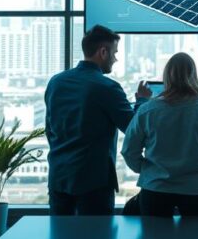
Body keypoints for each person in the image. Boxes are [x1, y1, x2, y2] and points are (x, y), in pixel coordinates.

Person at [45, 25, 151, 215]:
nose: (115, 59)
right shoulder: (107, 87)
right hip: (94, 181)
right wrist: (142, 101)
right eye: (114, 53)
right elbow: (133, 128)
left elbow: (50, 129)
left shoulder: (55, 82)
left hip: (59, 176)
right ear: (103, 52)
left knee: (60, 238)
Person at [121, 52, 198, 217]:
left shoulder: (148, 110)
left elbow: (129, 150)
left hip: (155, 188)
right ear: (194, 76)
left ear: (167, 76)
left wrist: (145, 170)